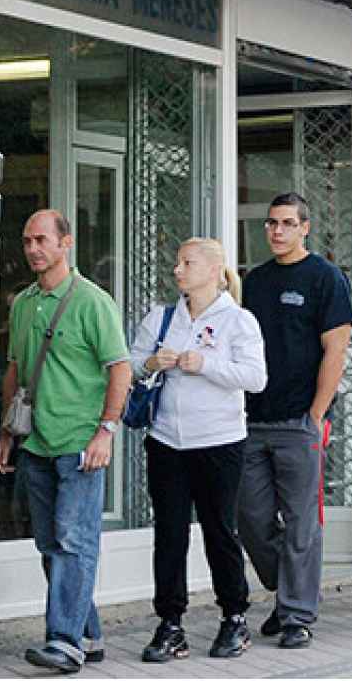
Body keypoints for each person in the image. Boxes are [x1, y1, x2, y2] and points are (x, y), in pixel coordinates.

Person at [0, 210, 132, 673]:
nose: (33, 249)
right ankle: (88, 634)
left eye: (42, 240)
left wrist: (105, 431)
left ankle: (64, 640)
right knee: (51, 544)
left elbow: (120, 369)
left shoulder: (93, 302)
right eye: (27, 240)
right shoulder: (23, 303)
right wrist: (8, 433)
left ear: (65, 243)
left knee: (74, 542)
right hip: (36, 444)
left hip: (79, 444)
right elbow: (15, 370)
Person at [131, 239, 267, 663]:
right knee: (169, 534)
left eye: (187, 263)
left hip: (220, 441)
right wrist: (153, 364)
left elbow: (256, 378)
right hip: (167, 440)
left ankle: (234, 617)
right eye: (176, 262)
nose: (177, 270)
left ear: (213, 270)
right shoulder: (162, 317)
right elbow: (131, 363)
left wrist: (202, 364)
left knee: (218, 530)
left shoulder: (238, 321)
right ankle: (170, 624)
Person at [238, 193, 352, 650]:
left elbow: (336, 351)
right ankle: (287, 596)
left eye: (287, 223)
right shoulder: (256, 281)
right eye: (271, 223)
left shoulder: (326, 278)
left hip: (298, 422)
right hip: (250, 422)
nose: (277, 231)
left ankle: (297, 616)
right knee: (250, 518)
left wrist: (316, 415)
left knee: (302, 521)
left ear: (306, 227)